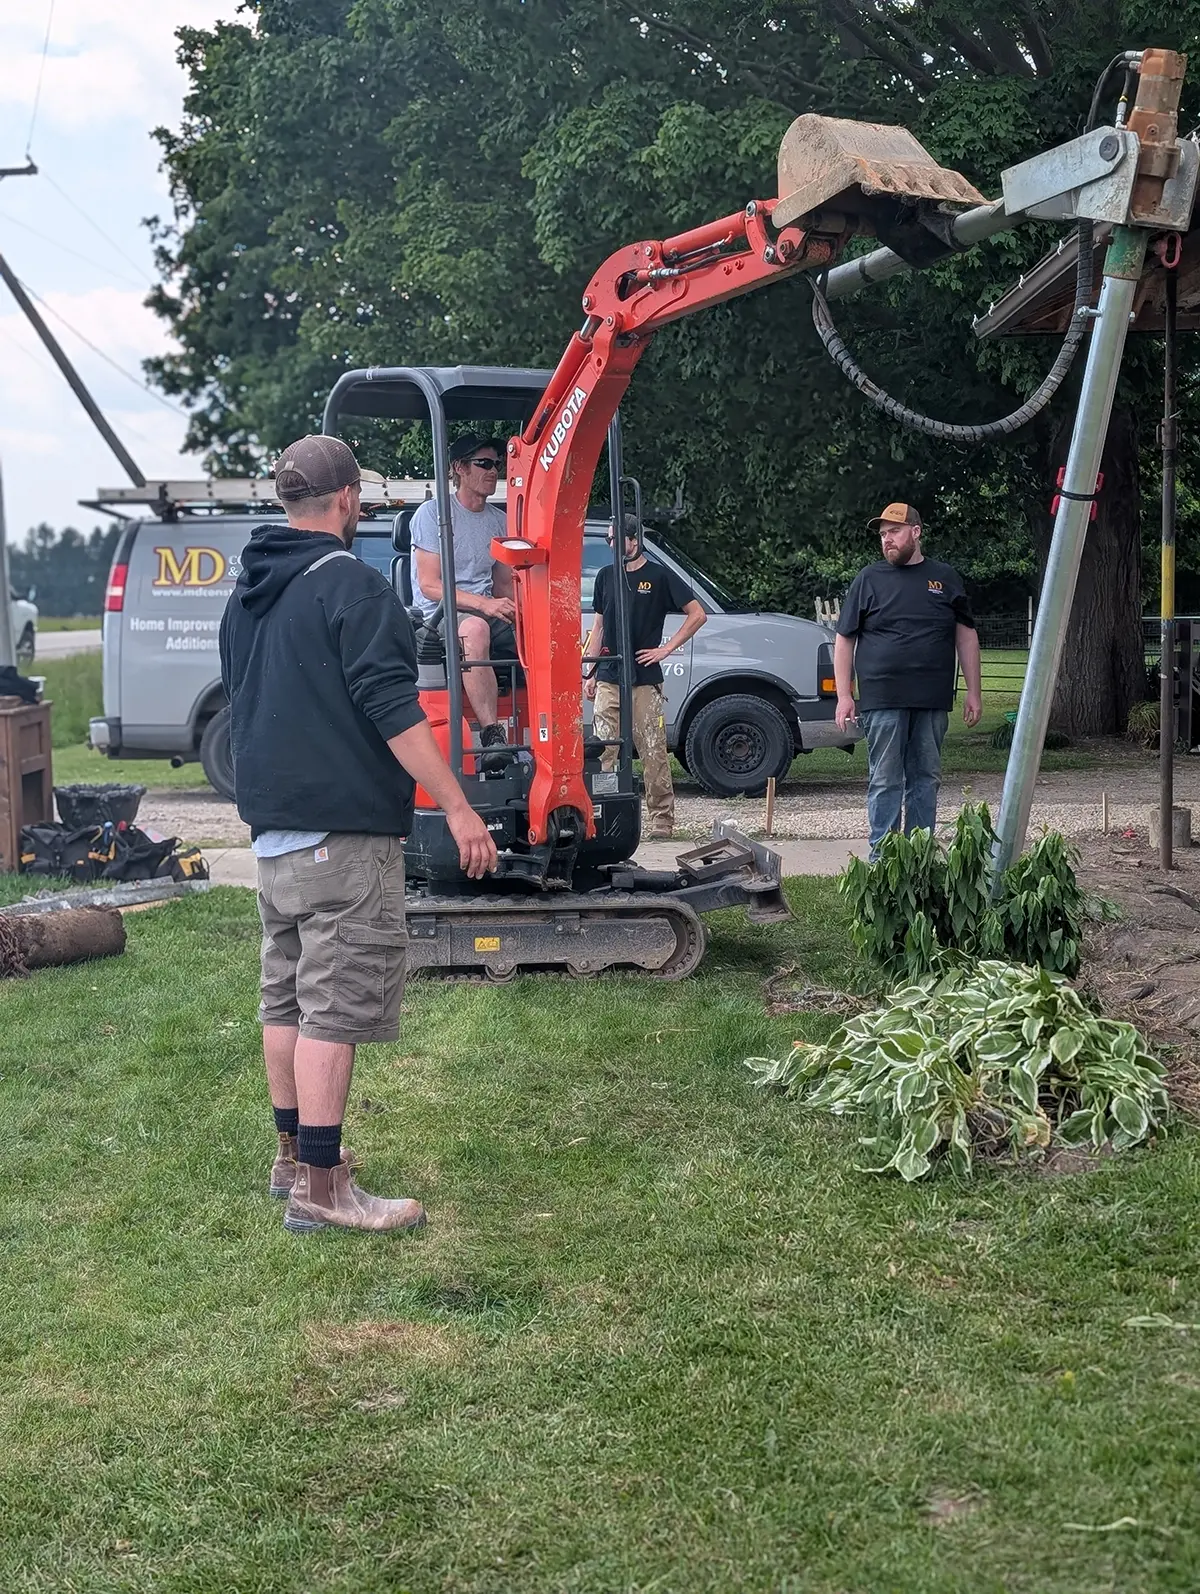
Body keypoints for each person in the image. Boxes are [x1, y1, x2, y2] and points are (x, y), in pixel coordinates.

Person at [220, 433, 497, 1237]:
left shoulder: (248, 591)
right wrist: (456, 805)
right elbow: (393, 710)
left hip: (274, 839)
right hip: (343, 839)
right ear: (347, 500)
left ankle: (290, 1156)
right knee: (333, 1010)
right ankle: (322, 1185)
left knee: (286, 995)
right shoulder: (355, 588)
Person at [833, 501, 981, 858]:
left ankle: (918, 856)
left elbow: (966, 636)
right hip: (883, 696)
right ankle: (883, 859)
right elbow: (844, 638)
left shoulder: (945, 578)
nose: (887, 540)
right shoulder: (869, 578)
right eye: (883, 534)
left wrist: (974, 692)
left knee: (925, 779)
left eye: (894, 531)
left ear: (916, 532)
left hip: (931, 697)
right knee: (885, 780)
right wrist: (844, 694)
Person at [583, 517, 707, 840]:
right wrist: (590, 671)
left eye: (614, 540)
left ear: (633, 541)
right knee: (603, 749)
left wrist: (665, 649)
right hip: (609, 675)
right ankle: (603, 815)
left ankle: (662, 819)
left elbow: (698, 614)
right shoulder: (605, 576)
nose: (610, 545)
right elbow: (598, 627)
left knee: (652, 750)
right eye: (608, 540)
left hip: (644, 677)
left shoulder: (658, 575)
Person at [409, 435, 515, 754]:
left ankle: (558, 729)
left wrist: (523, 616)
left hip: (483, 609)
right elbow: (430, 585)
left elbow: (503, 586)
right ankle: (492, 733)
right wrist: (484, 604)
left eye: (496, 464)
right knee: (475, 628)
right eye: (483, 463)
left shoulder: (500, 520)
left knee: (539, 635)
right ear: (459, 468)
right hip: (438, 616)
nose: (493, 471)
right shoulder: (433, 514)